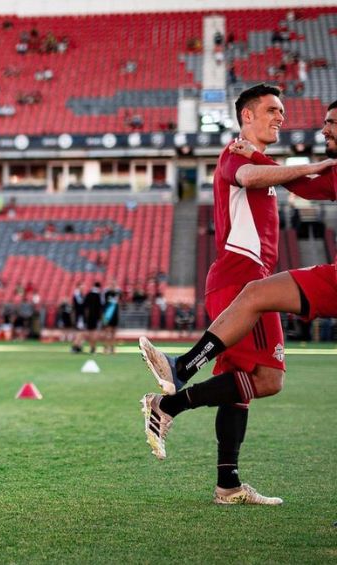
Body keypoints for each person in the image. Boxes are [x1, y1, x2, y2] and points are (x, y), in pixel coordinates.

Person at [139, 88, 336, 505]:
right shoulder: (236, 155)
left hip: (238, 276)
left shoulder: (259, 158)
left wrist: (305, 169)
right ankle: (172, 393)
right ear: (247, 115)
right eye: (271, 110)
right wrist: (318, 162)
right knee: (269, 378)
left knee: (241, 386)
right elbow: (250, 178)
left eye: (283, 111)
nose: (281, 117)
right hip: (242, 275)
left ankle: (226, 484)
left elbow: (301, 184)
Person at [101, 280, 121, 354]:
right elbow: (103, 305)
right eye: (111, 284)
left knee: (113, 333)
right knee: (107, 332)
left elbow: (119, 305)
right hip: (108, 315)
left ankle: (112, 348)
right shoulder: (106, 293)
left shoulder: (118, 293)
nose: (113, 286)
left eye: (114, 284)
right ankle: (105, 348)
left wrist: (118, 315)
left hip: (115, 315)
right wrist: (103, 315)